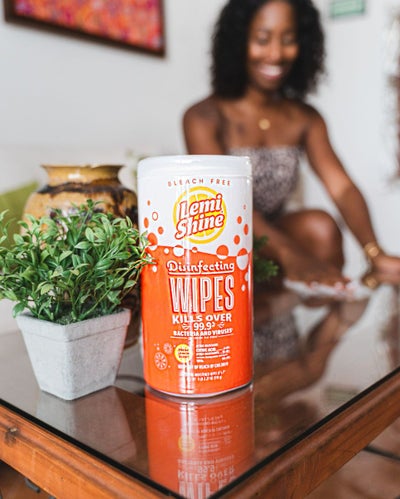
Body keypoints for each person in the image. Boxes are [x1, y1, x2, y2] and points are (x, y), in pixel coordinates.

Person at [183, 0, 400, 289]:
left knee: (321, 227)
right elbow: (227, 205)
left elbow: (342, 188)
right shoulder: (202, 117)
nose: (276, 54)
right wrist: (291, 255)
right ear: (238, 41)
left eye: (288, 40)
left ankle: (329, 307)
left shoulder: (305, 118)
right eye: (262, 39)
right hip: (222, 240)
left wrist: (374, 253)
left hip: (275, 234)